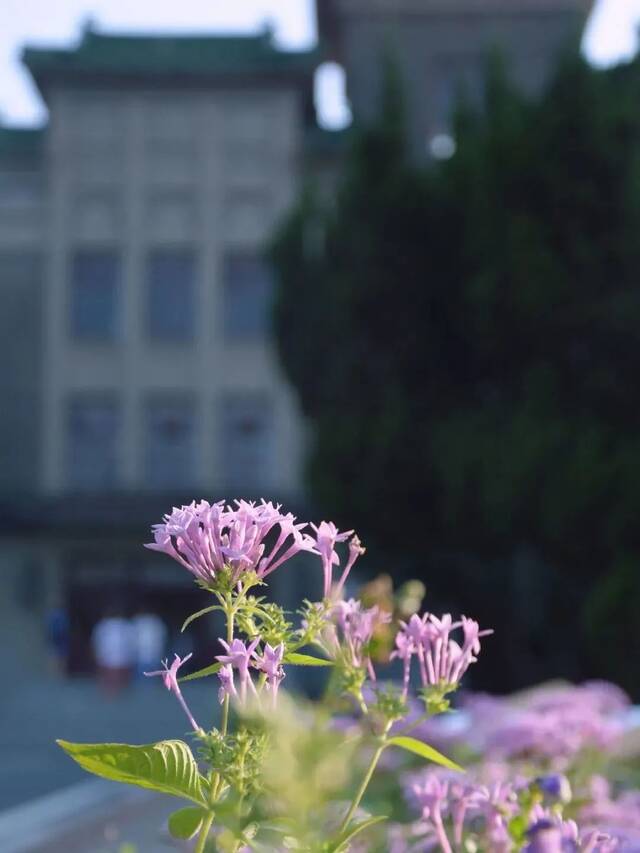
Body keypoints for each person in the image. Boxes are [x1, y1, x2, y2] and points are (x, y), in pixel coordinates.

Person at [91, 608, 134, 695]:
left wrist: (98, 656)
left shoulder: (103, 625)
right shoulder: (126, 626)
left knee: (109, 682)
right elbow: (132, 642)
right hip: (120, 659)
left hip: (108, 659)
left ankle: (110, 696)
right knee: (119, 682)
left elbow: (96, 642)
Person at [131, 608, 167, 678]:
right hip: (142, 655)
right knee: (143, 675)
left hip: (149, 654)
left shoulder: (154, 621)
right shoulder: (139, 621)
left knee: (149, 675)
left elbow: (161, 637)